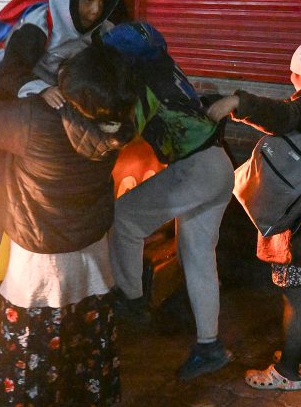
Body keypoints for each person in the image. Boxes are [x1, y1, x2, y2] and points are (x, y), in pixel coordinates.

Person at [0, 41, 137, 407]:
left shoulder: (37, 121)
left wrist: (22, 63)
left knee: (26, 395)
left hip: (38, 285)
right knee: (85, 374)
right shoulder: (121, 124)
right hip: (95, 271)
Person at [207, 25, 301, 390]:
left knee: (296, 299)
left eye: (293, 73)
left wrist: (236, 103)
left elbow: (278, 115)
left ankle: (287, 372)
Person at [101, 21, 235, 380]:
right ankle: (210, 346)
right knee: (199, 258)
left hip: (195, 170)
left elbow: (124, 133)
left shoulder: (143, 83)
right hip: (220, 165)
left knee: (123, 217)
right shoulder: (168, 69)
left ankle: (131, 298)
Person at [0, 0, 120, 109]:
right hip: (7, 92)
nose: (96, 10)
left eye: (103, 1)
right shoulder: (38, 26)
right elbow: (10, 70)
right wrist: (41, 89)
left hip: (55, 95)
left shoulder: (101, 31)